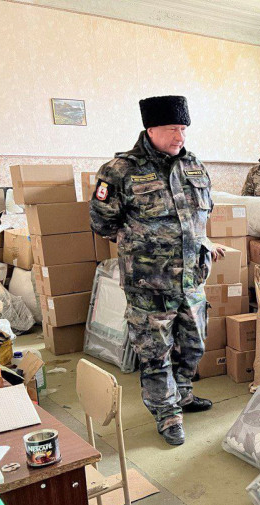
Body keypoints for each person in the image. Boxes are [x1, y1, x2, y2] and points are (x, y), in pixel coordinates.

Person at [90, 95, 225, 446]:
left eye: (183, 129)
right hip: (149, 283)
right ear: (151, 129)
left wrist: (200, 243)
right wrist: (146, 246)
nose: (180, 136)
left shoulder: (193, 165)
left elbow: (200, 218)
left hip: (191, 279)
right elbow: (102, 223)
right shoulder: (119, 171)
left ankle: (182, 393)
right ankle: (167, 414)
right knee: (155, 353)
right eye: (172, 129)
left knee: (193, 344)